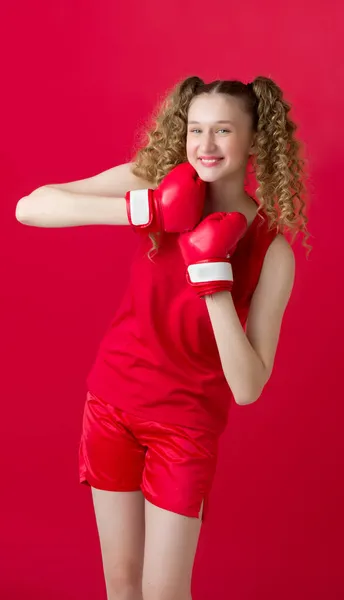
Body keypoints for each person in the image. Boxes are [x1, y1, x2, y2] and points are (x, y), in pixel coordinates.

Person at [16, 76, 310, 600]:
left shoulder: (272, 251)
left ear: (254, 138)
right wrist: (142, 208)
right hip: (111, 404)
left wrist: (213, 282)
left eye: (223, 130)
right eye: (196, 129)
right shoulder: (154, 182)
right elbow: (30, 207)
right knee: (122, 587)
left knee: (164, 593)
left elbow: (247, 387)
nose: (206, 145)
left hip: (185, 429)